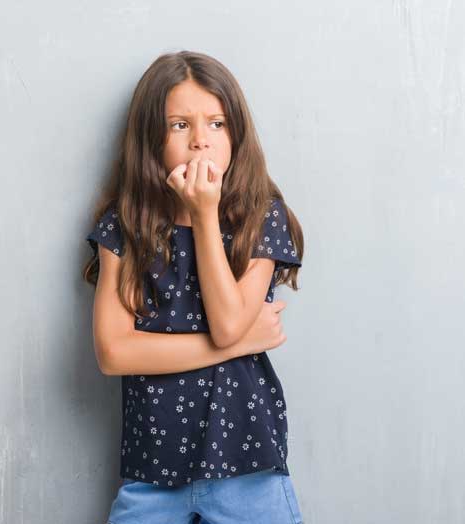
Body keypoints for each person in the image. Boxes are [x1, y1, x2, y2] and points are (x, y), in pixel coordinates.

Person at [82, 50, 305, 524]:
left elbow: (226, 324)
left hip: (250, 469)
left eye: (217, 124)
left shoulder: (262, 218)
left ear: (236, 134)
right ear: (152, 138)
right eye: (180, 125)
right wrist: (244, 342)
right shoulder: (124, 227)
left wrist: (205, 214)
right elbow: (113, 353)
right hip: (152, 475)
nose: (200, 141)